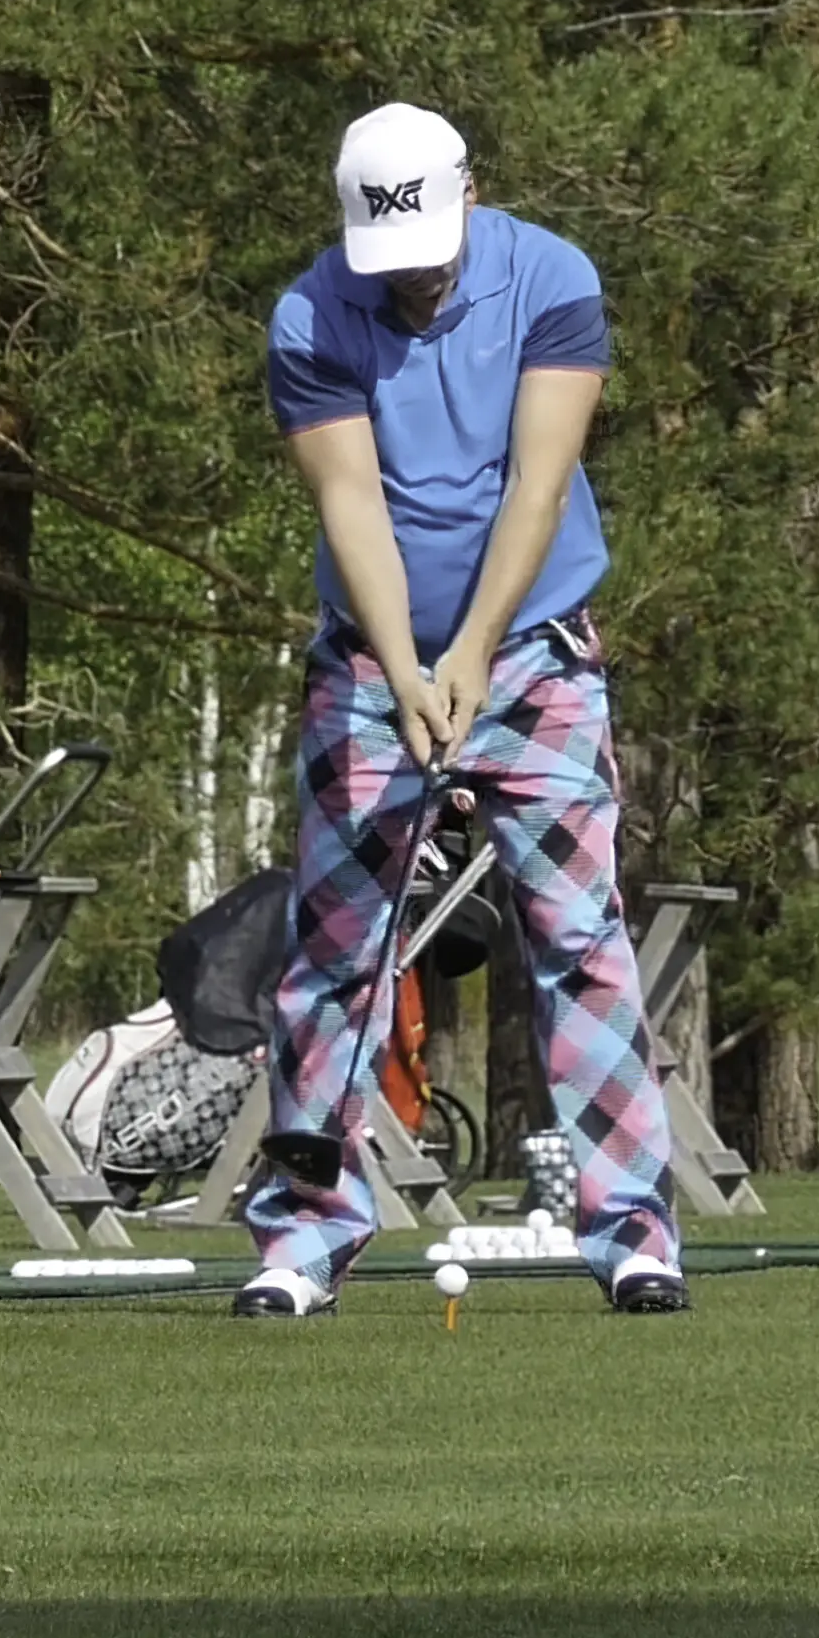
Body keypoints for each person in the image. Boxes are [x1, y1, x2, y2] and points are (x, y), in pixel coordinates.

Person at [239, 99, 685, 1316]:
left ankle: (634, 1234)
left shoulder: (551, 277)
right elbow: (352, 505)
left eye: (431, 249)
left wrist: (475, 654)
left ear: (468, 195)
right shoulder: (309, 315)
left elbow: (537, 484)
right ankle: (303, 1240)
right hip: (368, 666)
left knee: (581, 948)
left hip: (535, 657)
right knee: (331, 963)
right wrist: (403, 665)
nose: (414, 280)